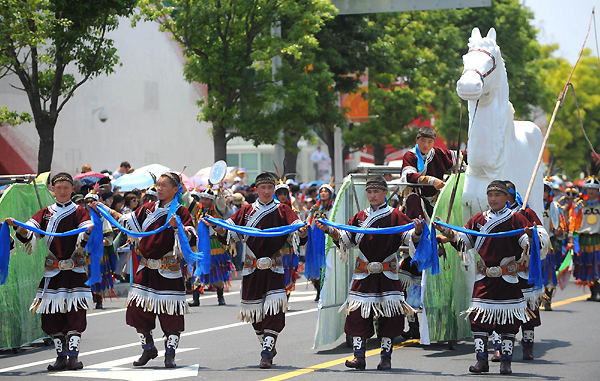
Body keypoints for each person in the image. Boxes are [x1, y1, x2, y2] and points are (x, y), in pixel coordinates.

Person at [316, 176, 424, 371]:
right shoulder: (359, 217)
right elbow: (346, 240)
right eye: (369, 192)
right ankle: (359, 357)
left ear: (384, 193)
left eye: (376, 191)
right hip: (363, 272)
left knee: (389, 316)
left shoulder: (396, 216)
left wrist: (417, 231)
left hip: (387, 273)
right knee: (357, 315)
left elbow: (409, 238)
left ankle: (385, 357)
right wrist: (329, 230)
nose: (372, 195)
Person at [206, 172, 308, 369]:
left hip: (275, 267)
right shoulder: (246, 211)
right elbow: (229, 233)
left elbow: (297, 229)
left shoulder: (283, 210)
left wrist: (302, 232)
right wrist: (217, 227)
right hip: (251, 266)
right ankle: (267, 344)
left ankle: (267, 352)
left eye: (270, 188)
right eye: (263, 188)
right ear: (256, 190)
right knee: (255, 312)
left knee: (274, 310)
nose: (267, 191)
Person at [433, 180, 535, 375]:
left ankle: (506, 362)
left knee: (509, 323)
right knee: (478, 320)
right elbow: (465, 241)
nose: (493, 199)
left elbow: (526, 245)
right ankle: (482, 361)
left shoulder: (517, 219)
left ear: (507, 197)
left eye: (498, 195)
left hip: (508, 278)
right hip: (484, 278)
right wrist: (446, 231)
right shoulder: (478, 219)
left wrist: (530, 237)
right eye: (490, 195)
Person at [97, 172, 196, 368]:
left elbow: (191, 238)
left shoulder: (181, 212)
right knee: (137, 311)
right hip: (146, 268)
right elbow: (128, 222)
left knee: (171, 315)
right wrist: (105, 210)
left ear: (175, 190)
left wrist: (180, 228)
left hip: (169, 269)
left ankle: (170, 353)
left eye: (164, 185)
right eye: (158, 185)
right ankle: (148, 347)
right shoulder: (147, 209)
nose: (159, 188)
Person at [5, 173, 93, 371]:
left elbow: (85, 235)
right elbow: (28, 235)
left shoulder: (80, 212)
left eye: (66, 188)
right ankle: (61, 357)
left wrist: (87, 232)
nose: (62, 191)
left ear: (72, 189)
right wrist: (18, 226)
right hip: (53, 272)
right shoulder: (44, 213)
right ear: (52, 190)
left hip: (75, 270)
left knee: (75, 313)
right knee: (52, 316)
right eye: (58, 187)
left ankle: (73, 357)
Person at [399, 126, 463, 339]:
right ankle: (412, 324)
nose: (425, 144)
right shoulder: (410, 155)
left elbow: (462, 159)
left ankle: (441, 320)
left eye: (429, 141)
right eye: (422, 140)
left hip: (436, 206)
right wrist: (430, 180)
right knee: (408, 277)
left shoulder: (440, 154)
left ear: (434, 142)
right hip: (415, 204)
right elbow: (407, 175)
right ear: (417, 140)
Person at [501, 180, 549, 361]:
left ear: (511, 195)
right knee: (503, 309)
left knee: (529, 308)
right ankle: (501, 347)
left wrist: (531, 233)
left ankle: (528, 345)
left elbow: (543, 236)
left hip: (523, 268)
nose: (500, 199)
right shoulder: (492, 215)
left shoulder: (526, 212)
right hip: (503, 270)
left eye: (504, 194)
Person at [191, 186, 233, 306]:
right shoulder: (196, 209)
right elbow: (188, 200)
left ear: (211, 200)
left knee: (217, 269)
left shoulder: (218, 211)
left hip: (215, 243)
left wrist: (219, 193)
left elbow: (221, 204)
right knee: (198, 269)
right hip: (201, 244)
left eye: (206, 199)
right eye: (202, 198)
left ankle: (220, 296)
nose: (203, 201)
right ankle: (195, 298)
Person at [569, 173, 600, 301]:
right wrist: (572, 239)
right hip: (583, 239)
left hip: (598, 238)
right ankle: (594, 292)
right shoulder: (579, 205)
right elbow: (574, 224)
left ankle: (596, 290)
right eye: (589, 188)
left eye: (594, 188)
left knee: (597, 264)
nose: (591, 191)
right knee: (587, 265)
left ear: (598, 190)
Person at [84, 192, 116, 310]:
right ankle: (87, 297)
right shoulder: (81, 216)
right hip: (85, 251)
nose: (88, 204)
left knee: (99, 274)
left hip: (99, 252)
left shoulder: (102, 217)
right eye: (87, 202)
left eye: (91, 201)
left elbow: (109, 235)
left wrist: (102, 242)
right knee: (85, 274)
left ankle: (98, 299)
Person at [306, 181, 335, 301]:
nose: (323, 193)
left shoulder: (333, 208)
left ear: (330, 194)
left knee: (326, 265)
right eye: (321, 191)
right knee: (316, 265)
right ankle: (318, 289)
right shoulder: (315, 208)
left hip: (328, 238)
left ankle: (325, 290)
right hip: (315, 239)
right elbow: (309, 221)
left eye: (326, 191)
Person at [541, 177, 566, 310]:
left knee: (549, 273)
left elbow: (562, 226)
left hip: (548, 244)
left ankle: (547, 300)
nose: (542, 193)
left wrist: (559, 229)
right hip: (534, 244)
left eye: (545, 190)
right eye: (541, 190)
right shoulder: (532, 204)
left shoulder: (554, 207)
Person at [275, 179, 301, 299]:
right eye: (280, 193)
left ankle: (286, 297)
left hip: (289, 246)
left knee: (289, 271)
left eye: (285, 193)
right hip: (275, 246)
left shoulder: (294, 211)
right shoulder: (272, 211)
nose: (283, 196)